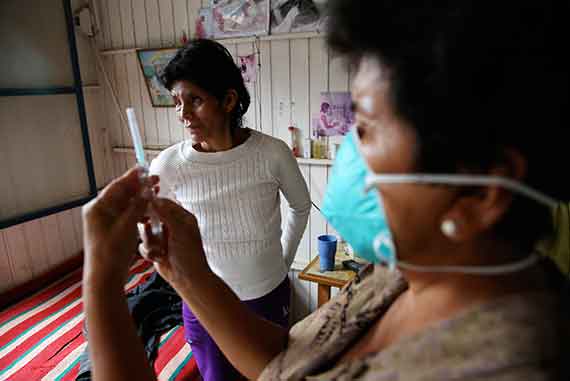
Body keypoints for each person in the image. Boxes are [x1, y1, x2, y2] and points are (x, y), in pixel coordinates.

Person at [82, 1, 570, 380]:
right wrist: (180, 271)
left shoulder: (506, 364)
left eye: (367, 127)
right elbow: (286, 361)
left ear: (482, 193)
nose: (346, 155)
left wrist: (101, 283)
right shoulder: (400, 277)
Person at [144, 39, 311, 381]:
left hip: (266, 295)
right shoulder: (169, 165)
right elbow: (155, 227)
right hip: (204, 303)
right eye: (177, 103)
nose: (184, 115)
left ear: (229, 100)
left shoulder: (272, 154)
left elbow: (301, 207)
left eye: (196, 100)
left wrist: (281, 260)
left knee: (271, 376)